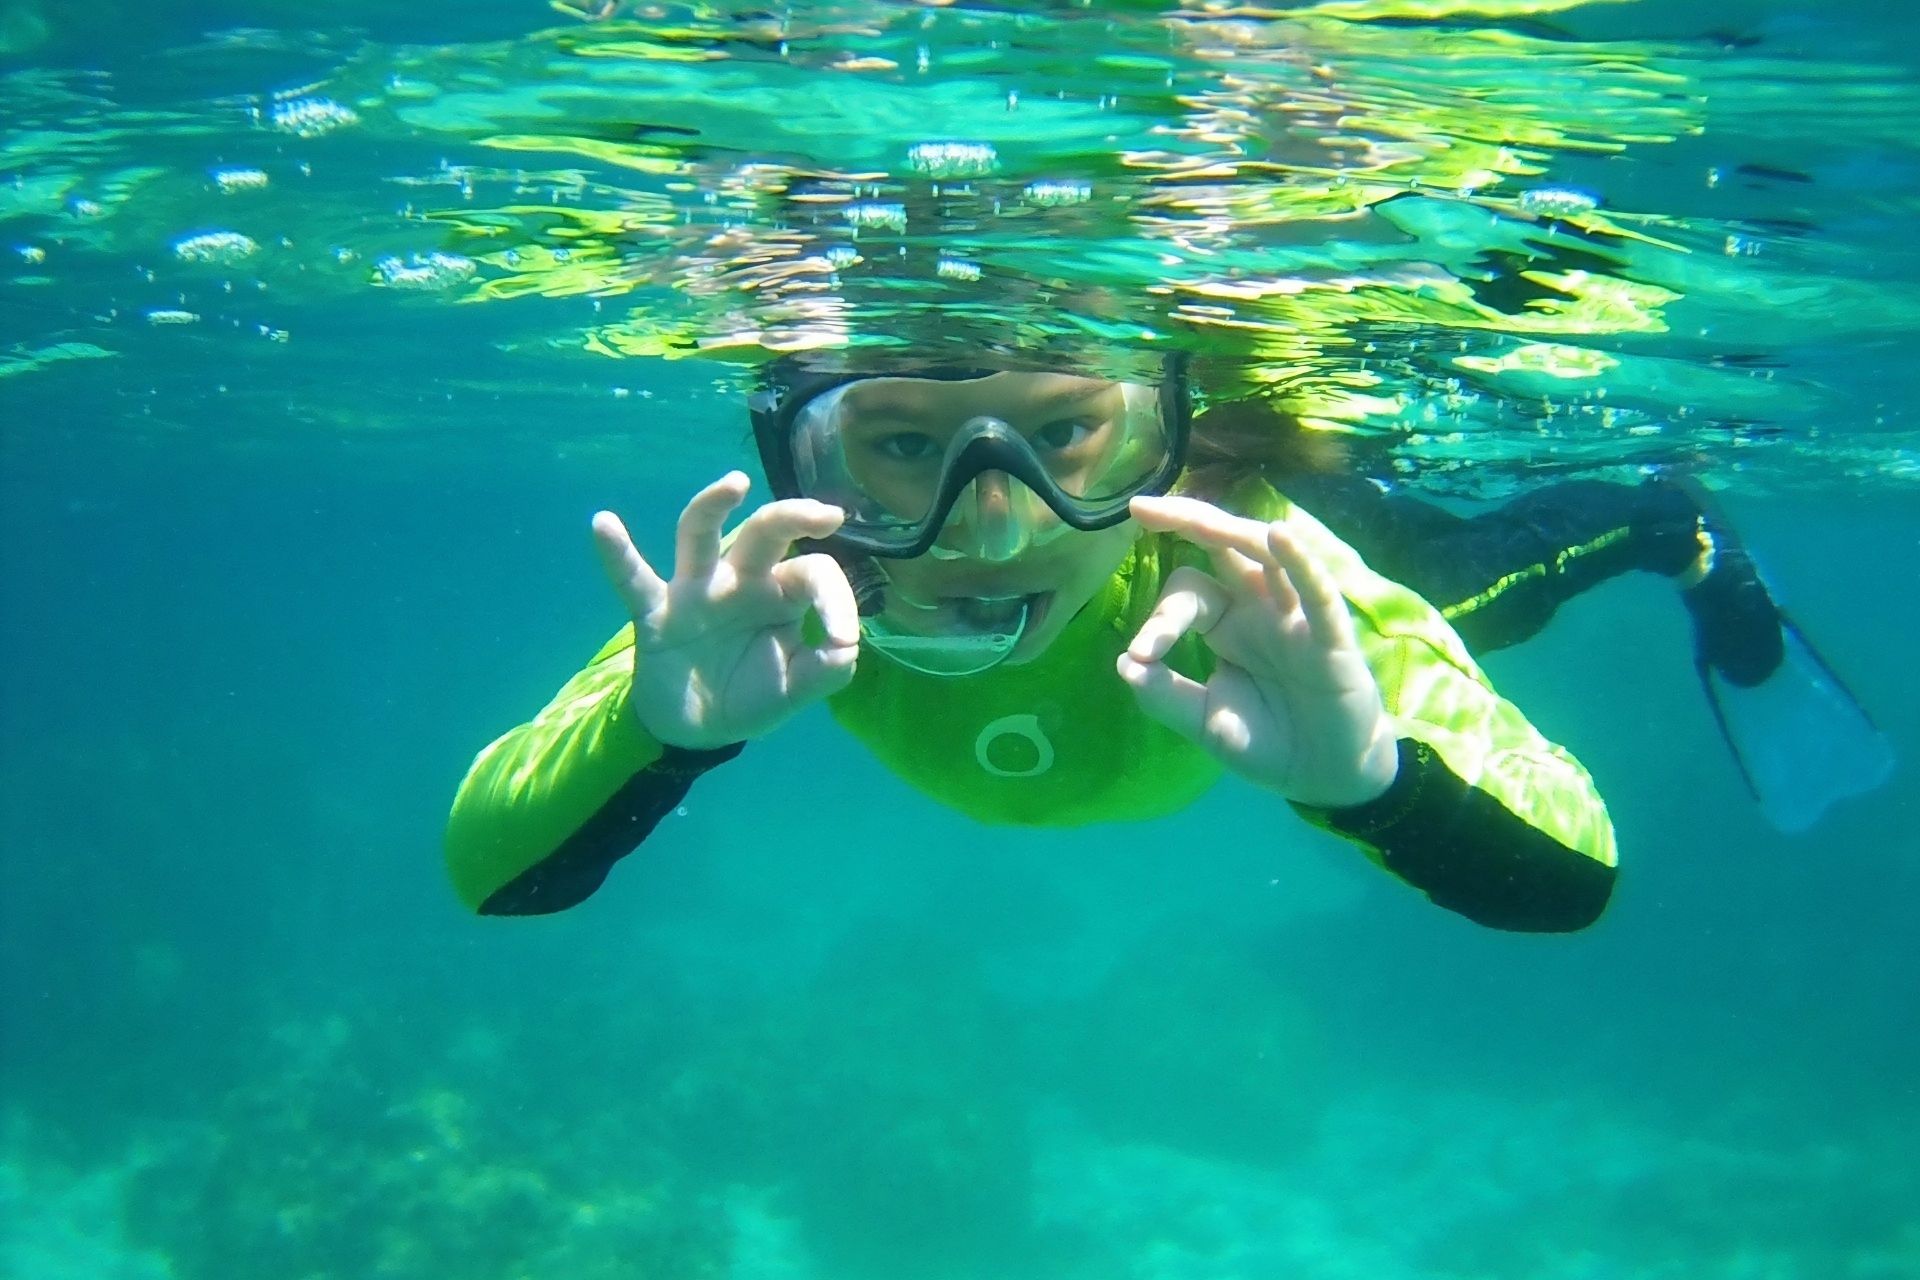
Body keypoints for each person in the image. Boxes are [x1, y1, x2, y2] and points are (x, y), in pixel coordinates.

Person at [444, 352, 1623, 932]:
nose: (992, 527)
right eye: (905, 445)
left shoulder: (1250, 577)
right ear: (812, 466)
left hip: (1328, 552)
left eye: (1065, 431)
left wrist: (1379, 785)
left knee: (1492, 587)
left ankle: (1669, 517)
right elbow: (488, 869)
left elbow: (1577, 869)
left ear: (1158, 437)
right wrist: (659, 738)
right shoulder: (794, 592)